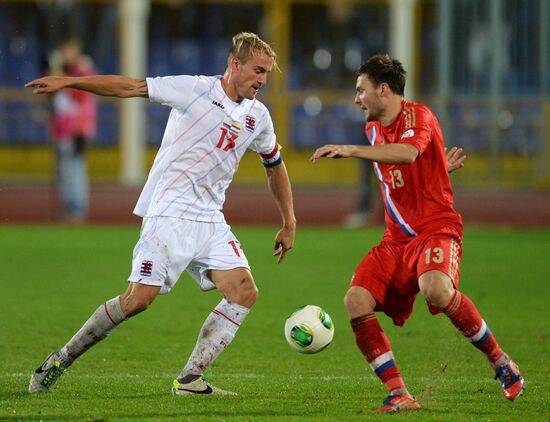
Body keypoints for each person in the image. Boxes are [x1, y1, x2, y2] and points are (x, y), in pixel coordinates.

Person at [26, 32, 296, 396]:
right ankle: (61, 358)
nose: (263, 80)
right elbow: (130, 87)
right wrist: (70, 81)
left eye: (267, 73)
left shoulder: (258, 116)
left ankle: (190, 380)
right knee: (137, 300)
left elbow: (274, 164)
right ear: (235, 64)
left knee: (244, 291)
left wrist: (289, 220)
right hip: (168, 211)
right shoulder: (194, 90)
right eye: (258, 70)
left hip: (210, 218)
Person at [310, 54, 523, 413]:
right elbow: (406, 170)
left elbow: (408, 154)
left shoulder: (418, 116)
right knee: (355, 300)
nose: (356, 99)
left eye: (360, 90)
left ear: (383, 89)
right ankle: (399, 394)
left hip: (436, 228)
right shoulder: (373, 127)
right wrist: (437, 170)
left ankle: (502, 361)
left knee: (436, 289)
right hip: (396, 240)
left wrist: (349, 150)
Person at [47, 35, 97, 222]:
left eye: (67, 51)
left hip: (77, 128)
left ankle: (76, 208)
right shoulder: (72, 71)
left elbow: (77, 94)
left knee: (75, 168)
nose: (64, 55)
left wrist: (59, 72)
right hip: (64, 128)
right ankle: (70, 206)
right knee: (66, 169)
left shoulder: (82, 70)